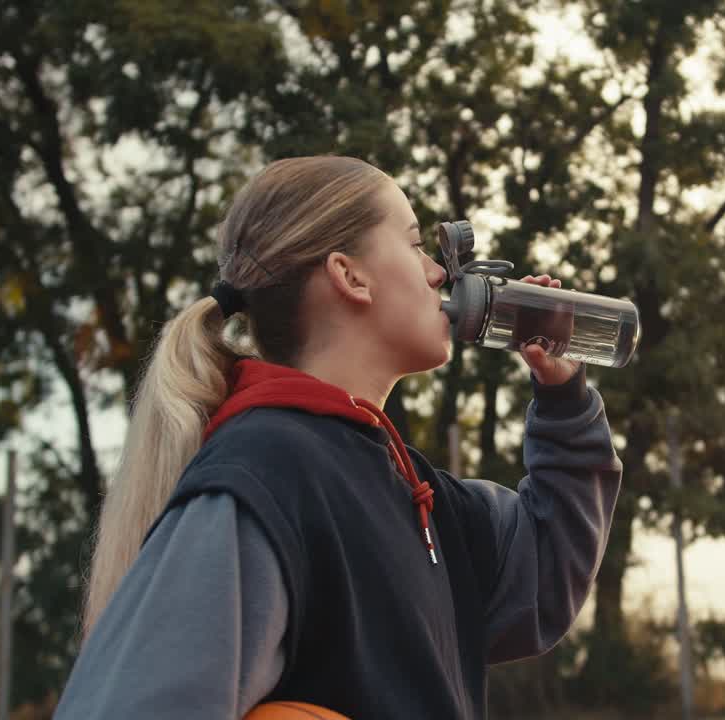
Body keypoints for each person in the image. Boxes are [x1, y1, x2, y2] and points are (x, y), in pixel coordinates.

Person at [53, 156, 622, 719]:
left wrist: (564, 399)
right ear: (350, 276)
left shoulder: (415, 492)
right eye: (415, 244)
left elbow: (544, 578)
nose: (438, 273)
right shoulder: (268, 472)